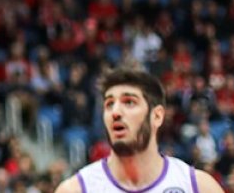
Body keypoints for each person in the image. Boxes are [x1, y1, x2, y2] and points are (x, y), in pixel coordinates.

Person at [55, 68, 223, 193]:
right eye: (109, 104)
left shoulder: (198, 187)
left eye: (129, 102)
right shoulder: (76, 189)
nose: (115, 112)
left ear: (157, 116)